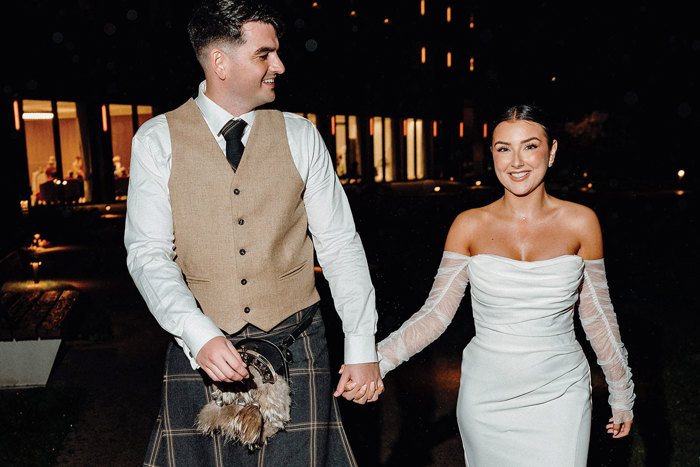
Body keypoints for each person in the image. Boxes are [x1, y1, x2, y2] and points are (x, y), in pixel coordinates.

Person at [124, 1, 383, 465]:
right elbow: (147, 253)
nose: (279, 65)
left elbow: (341, 246)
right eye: (265, 54)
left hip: (297, 341)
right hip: (202, 347)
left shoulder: (302, 136)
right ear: (220, 62)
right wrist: (197, 334)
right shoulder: (156, 139)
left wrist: (361, 347)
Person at [375, 105, 635, 466]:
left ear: (552, 151)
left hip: (561, 393)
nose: (516, 162)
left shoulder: (581, 223)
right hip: (487, 397)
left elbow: (598, 316)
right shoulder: (468, 225)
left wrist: (621, 392)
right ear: (492, 154)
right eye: (503, 148)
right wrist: (374, 362)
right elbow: (435, 315)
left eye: (529, 146)